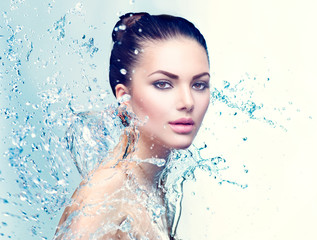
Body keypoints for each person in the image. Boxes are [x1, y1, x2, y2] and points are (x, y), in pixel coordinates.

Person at [55, 12, 210, 240]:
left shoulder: (152, 184)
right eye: (163, 84)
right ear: (125, 97)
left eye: (199, 85)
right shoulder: (106, 193)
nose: (188, 102)